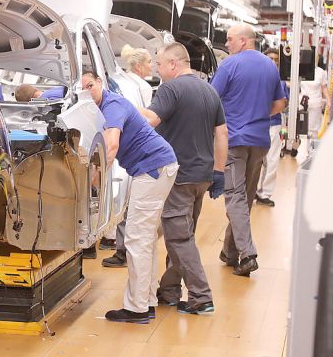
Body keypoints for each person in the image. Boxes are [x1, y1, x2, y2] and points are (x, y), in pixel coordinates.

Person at [80, 69, 179, 324]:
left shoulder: (112, 105)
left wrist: (94, 183)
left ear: (100, 83)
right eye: (82, 89)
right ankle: (147, 301)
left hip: (152, 169)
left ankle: (136, 309)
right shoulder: (104, 107)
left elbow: (111, 147)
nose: (87, 92)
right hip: (157, 167)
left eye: (90, 86)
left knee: (136, 238)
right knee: (143, 237)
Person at [135, 43, 227, 315]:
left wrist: (124, 106)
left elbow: (150, 119)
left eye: (160, 64)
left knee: (178, 238)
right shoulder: (210, 91)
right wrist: (219, 172)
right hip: (203, 176)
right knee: (183, 234)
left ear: (174, 64)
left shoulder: (170, 89)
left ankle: (201, 297)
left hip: (179, 175)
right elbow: (222, 134)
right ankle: (170, 290)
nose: (158, 70)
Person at [210, 24, 286, 277]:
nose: (227, 44)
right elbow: (280, 103)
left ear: (243, 41)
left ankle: (248, 254)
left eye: (230, 39)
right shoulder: (270, 66)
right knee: (246, 196)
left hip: (234, 140)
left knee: (235, 196)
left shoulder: (229, 65)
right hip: (260, 140)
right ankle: (230, 252)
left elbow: (210, 99)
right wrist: (257, 115)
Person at [98, 45, 153, 258]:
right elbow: (149, 117)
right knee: (125, 194)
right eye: (149, 62)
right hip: (131, 139)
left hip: (113, 134)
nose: (152, 66)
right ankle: (119, 243)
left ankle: (110, 235)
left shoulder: (118, 81)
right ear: (138, 66)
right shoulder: (143, 87)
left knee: (112, 188)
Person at [256, 48, 288, 207]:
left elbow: (284, 103)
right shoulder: (256, 78)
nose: (273, 61)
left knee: (272, 160)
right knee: (254, 161)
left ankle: (264, 193)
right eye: (270, 58)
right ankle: (250, 191)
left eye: (276, 59)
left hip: (274, 125)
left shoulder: (281, 82)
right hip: (255, 124)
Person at [300, 57, 328, 138]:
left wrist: (328, 101)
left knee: (313, 130)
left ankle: (311, 146)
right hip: (302, 103)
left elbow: (324, 87)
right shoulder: (301, 70)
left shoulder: (321, 72)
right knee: (301, 128)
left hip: (316, 103)